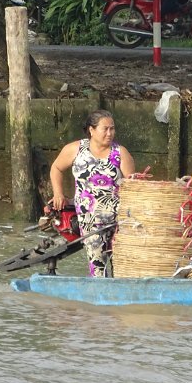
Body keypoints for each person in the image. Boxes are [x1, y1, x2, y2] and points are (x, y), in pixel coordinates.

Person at [50, 110, 135, 277]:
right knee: (97, 267)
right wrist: (58, 193)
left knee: (122, 268)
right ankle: (98, 298)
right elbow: (56, 169)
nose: (110, 133)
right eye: (105, 129)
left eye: (112, 129)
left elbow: (133, 186)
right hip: (90, 220)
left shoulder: (120, 153)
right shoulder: (75, 149)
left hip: (119, 220)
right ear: (91, 130)